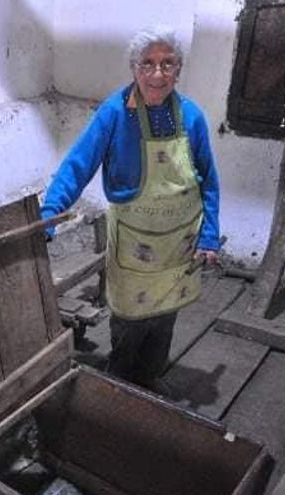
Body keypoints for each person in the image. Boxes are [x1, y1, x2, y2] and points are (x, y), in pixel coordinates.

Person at [41, 26, 220, 395]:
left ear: (179, 69)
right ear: (134, 68)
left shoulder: (192, 116)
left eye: (167, 64)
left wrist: (210, 234)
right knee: (129, 318)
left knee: (165, 315)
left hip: (178, 241)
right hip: (135, 241)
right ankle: (119, 384)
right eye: (148, 64)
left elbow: (209, 182)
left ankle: (150, 377)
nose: (158, 74)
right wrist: (49, 214)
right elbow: (78, 164)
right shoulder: (114, 113)